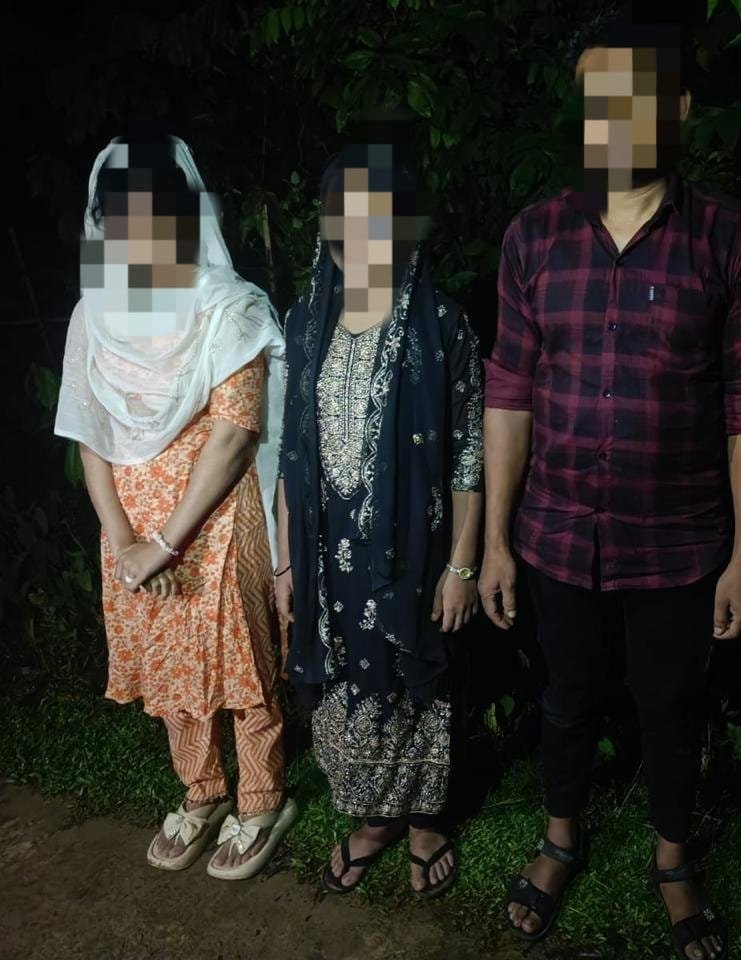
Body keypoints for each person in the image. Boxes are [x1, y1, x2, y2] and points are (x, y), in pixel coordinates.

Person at [481, 7, 741, 959]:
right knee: (565, 695)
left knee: (671, 702)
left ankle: (673, 857)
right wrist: (494, 540)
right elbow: (508, 392)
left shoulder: (730, 238)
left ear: (677, 108)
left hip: (681, 536)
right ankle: (560, 839)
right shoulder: (534, 237)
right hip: (556, 531)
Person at [55, 133, 296, 880]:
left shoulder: (228, 306)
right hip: (129, 529)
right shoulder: (92, 315)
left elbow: (235, 434)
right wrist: (126, 541)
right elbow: (89, 434)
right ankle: (203, 791)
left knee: (241, 664)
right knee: (170, 669)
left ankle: (263, 800)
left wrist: (164, 541)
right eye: (118, 214)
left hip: (216, 519)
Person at [274, 138, 485, 898]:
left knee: (414, 679)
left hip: (416, 552)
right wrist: (287, 561)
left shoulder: (443, 325)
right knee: (346, 681)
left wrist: (462, 565)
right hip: (326, 554)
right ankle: (374, 818)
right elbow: (291, 452)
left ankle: (424, 820)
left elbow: (469, 454)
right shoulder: (304, 322)